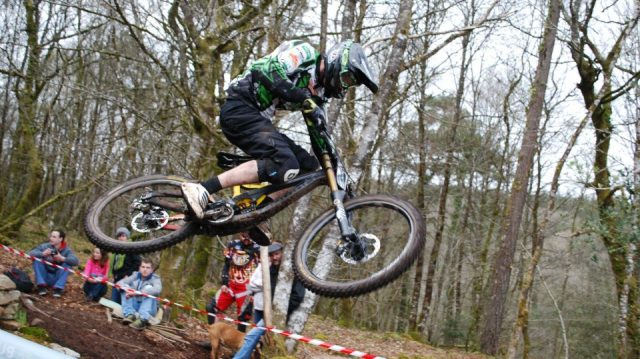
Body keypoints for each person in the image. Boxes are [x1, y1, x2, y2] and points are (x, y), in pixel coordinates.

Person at [180, 40, 379, 232]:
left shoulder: (318, 95)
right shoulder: (305, 54)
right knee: (285, 163)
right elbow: (265, 69)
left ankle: (256, 214)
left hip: (257, 119)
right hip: (239, 108)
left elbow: (320, 138)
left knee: (307, 168)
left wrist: (336, 167)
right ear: (337, 62)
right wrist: (302, 98)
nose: (344, 87)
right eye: (347, 79)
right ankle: (202, 189)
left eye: (350, 85)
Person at [233, 242, 306, 359]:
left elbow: (298, 296)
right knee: (259, 339)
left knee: (252, 336)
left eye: (277, 254)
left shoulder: (293, 270)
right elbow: (261, 287)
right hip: (267, 310)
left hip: (279, 313)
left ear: (283, 253)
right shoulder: (271, 269)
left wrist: (281, 310)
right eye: (271, 255)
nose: (274, 257)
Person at [206, 232, 260, 330]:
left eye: (249, 236)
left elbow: (263, 270)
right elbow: (226, 265)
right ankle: (213, 339)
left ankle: (240, 344)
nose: (246, 238)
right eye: (244, 235)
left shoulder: (258, 249)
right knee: (211, 307)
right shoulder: (232, 245)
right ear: (240, 234)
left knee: (243, 317)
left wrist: (256, 289)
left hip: (246, 289)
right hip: (230, 285)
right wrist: (224, 282)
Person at [29, 229, 79, 298]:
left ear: (60, 239)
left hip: (56, 277)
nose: (51, 238)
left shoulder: (67, 250)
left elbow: (76, 261)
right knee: (37, 259)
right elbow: (30, 253)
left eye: (54, 237)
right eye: (51, 236)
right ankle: (41, 286)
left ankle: (58, 289)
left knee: (68, 263)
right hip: (44, 276)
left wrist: (62, 258)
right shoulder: (45, 246)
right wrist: (43, 254)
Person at [117, 258, 162, 330]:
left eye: (148, 268)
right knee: (124, 287)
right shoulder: (135, 275)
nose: (145, 269)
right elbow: (119, 283)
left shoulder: (155, 279)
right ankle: (130, 314)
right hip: (136, 305)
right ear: (139, 268)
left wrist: (136, 293)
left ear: (152, 269)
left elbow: (157, 289)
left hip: (150, 309)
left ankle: (143, 319)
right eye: (143, 267)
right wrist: (128, 289)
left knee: (149, 288)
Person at [109, 227, 142, 304]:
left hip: (127, 279)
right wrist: (113, 274)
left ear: (127, 237)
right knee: (114, 302)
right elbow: (114, 264)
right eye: (119, 236)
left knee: (124, 302)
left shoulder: (132, 248)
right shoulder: (116, 249)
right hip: (117, 278)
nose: (121, 238)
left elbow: (137, 263)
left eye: (123, 236)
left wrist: (128, 275)